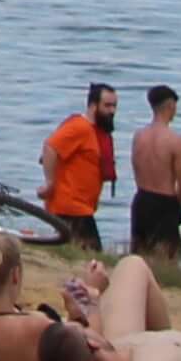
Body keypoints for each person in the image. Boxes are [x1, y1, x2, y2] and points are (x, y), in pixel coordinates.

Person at [42, 81, 117, 254]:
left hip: (82, 207)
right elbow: (50, 147)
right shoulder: (79, 127)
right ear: (92, 105)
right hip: (70, 206)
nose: (112, 111)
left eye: (114, 106)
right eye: (107, 105)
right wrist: (50, 183)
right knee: (93, 254)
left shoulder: (97, 132)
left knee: (79, 252)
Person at [126, 85, 181, 268]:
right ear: (170, 106)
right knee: (168, 259)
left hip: (142, 199)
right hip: (165, 203)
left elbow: (136, 168)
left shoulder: (139, 136)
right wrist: (179, 208)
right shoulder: (175, 141)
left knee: (139, 258)